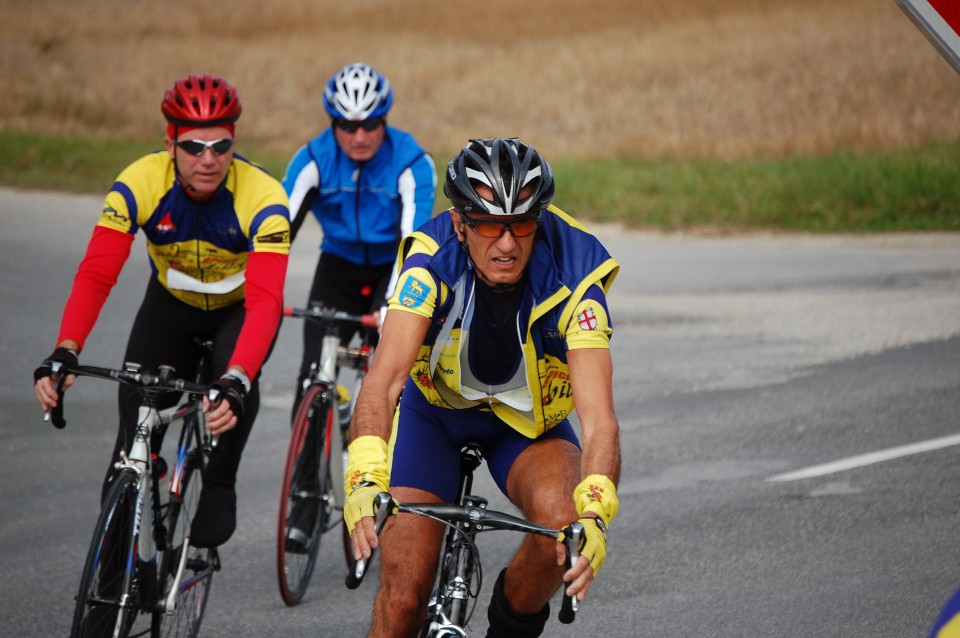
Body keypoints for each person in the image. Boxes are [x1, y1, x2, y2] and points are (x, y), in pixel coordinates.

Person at [343, 138, 622, 638]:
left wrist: (596, 511)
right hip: (436, 415)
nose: (508, 243)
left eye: (522, 224)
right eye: (490, 225)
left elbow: (599, 418)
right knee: (404, 600)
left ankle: (509, 624)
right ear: (459, 223)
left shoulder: (578, 276)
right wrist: (364, 475)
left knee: (562, 530)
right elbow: (382, 384)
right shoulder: (429, 264)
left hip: (528, 425)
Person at [33, 74, 291, 550]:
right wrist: (66, 349)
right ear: (169, 142)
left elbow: (266, 301)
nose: (208, 159)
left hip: (237, 309)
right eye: (193, 146)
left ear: (235, 142)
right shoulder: (139, 182)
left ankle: (218, 481)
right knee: (129, 443)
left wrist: (236, 377)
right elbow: (96, 273)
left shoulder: (264, 197)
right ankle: (111, 580)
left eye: (221, 145)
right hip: (170, 306)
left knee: (231, 390)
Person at [281, 62, 435, 550]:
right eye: (347, 125)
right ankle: (306, 500)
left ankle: (380, 494)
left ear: (385, 120)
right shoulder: (312, 159)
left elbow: (414, 243)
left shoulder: (412, 162)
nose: (360, 135)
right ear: (333, 124)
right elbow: (276, 230)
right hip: (339, 269)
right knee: (312, 378)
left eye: (370, 124)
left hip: (392, 269)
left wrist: (395, 304)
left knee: (387, 386)